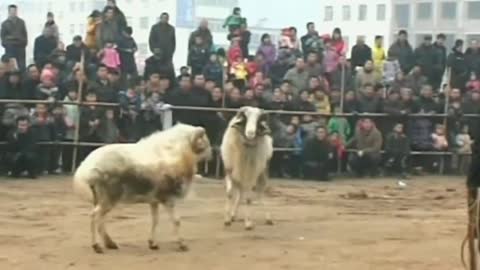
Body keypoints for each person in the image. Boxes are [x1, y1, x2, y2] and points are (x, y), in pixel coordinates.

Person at [1, 5, 28, 70]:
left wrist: (23, 43)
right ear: (9, 12)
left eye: (15, 11)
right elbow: (3, 37)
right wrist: (8, 44)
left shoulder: (21, 22)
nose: (13, 12)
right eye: (12, 11)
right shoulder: (5, 23)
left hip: (20, 48)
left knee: (22, 66)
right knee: (11, 67)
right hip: (10, 48)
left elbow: (25, 34)